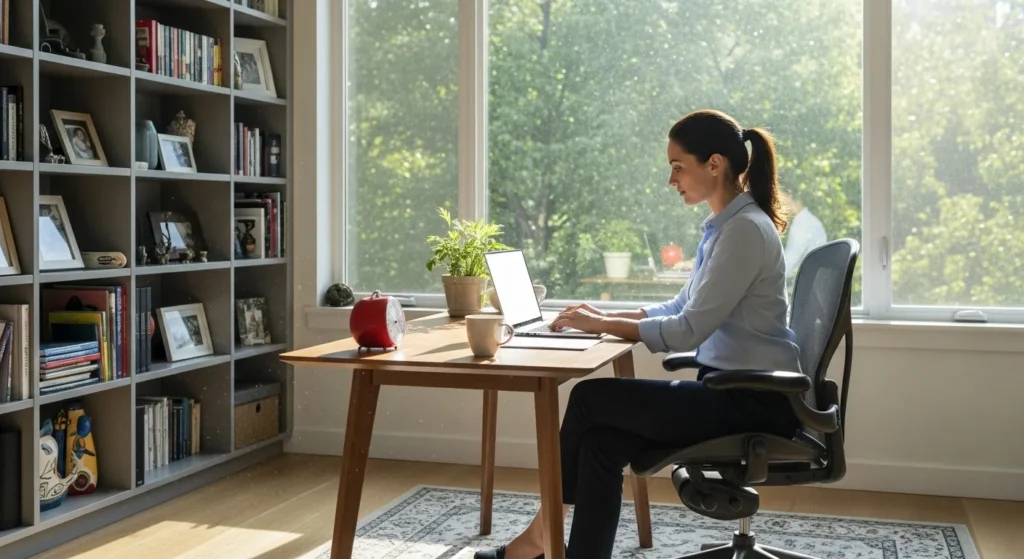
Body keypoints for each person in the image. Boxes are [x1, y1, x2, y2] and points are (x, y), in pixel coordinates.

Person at [474, 109, 803, 559]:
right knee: (600, 444)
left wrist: (604, 325)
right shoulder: (725, 229)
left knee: (590, 400)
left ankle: (541, 534)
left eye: (677, 166)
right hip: (732, 393)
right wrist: (601, 314)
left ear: (714, 164)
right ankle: (568, 549)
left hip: (754, 402)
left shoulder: (743, 232)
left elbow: (688, 330)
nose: (671, 180)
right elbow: (679, 308)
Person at [780, 191, 827, 278]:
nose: (779, 204)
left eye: (781, 198)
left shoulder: (802, 223)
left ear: (789, 197)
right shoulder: (808, 219)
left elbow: (792, 257)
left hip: (808, 279)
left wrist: (775, 279)